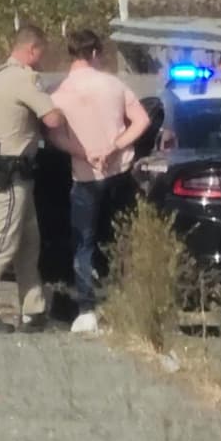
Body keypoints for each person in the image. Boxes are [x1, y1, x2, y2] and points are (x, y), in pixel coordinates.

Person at [0, 24, 81, 334]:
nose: (42, 60)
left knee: (28, 245)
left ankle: (34, 310)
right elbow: (52, 118)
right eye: (41, 53)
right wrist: (63, 108)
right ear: (32, 50)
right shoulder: (25, 80)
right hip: (11, 175)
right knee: (2, 243)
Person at [50, 29, 153, 334]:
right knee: (121, 239)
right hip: (120, 171)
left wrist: (86, 153)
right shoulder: (114, 84)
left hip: (84, 175)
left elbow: (53, 135)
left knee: (84, 243)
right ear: (95, 53)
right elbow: (143, 121)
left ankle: (87, 309)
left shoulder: (60, 93)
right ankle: (122, 300)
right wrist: (115, 146)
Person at [158, 49, 221, 150]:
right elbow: (169, 100)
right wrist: (169, 129)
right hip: (191, 152)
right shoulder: (197, 90)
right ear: (218, 67)